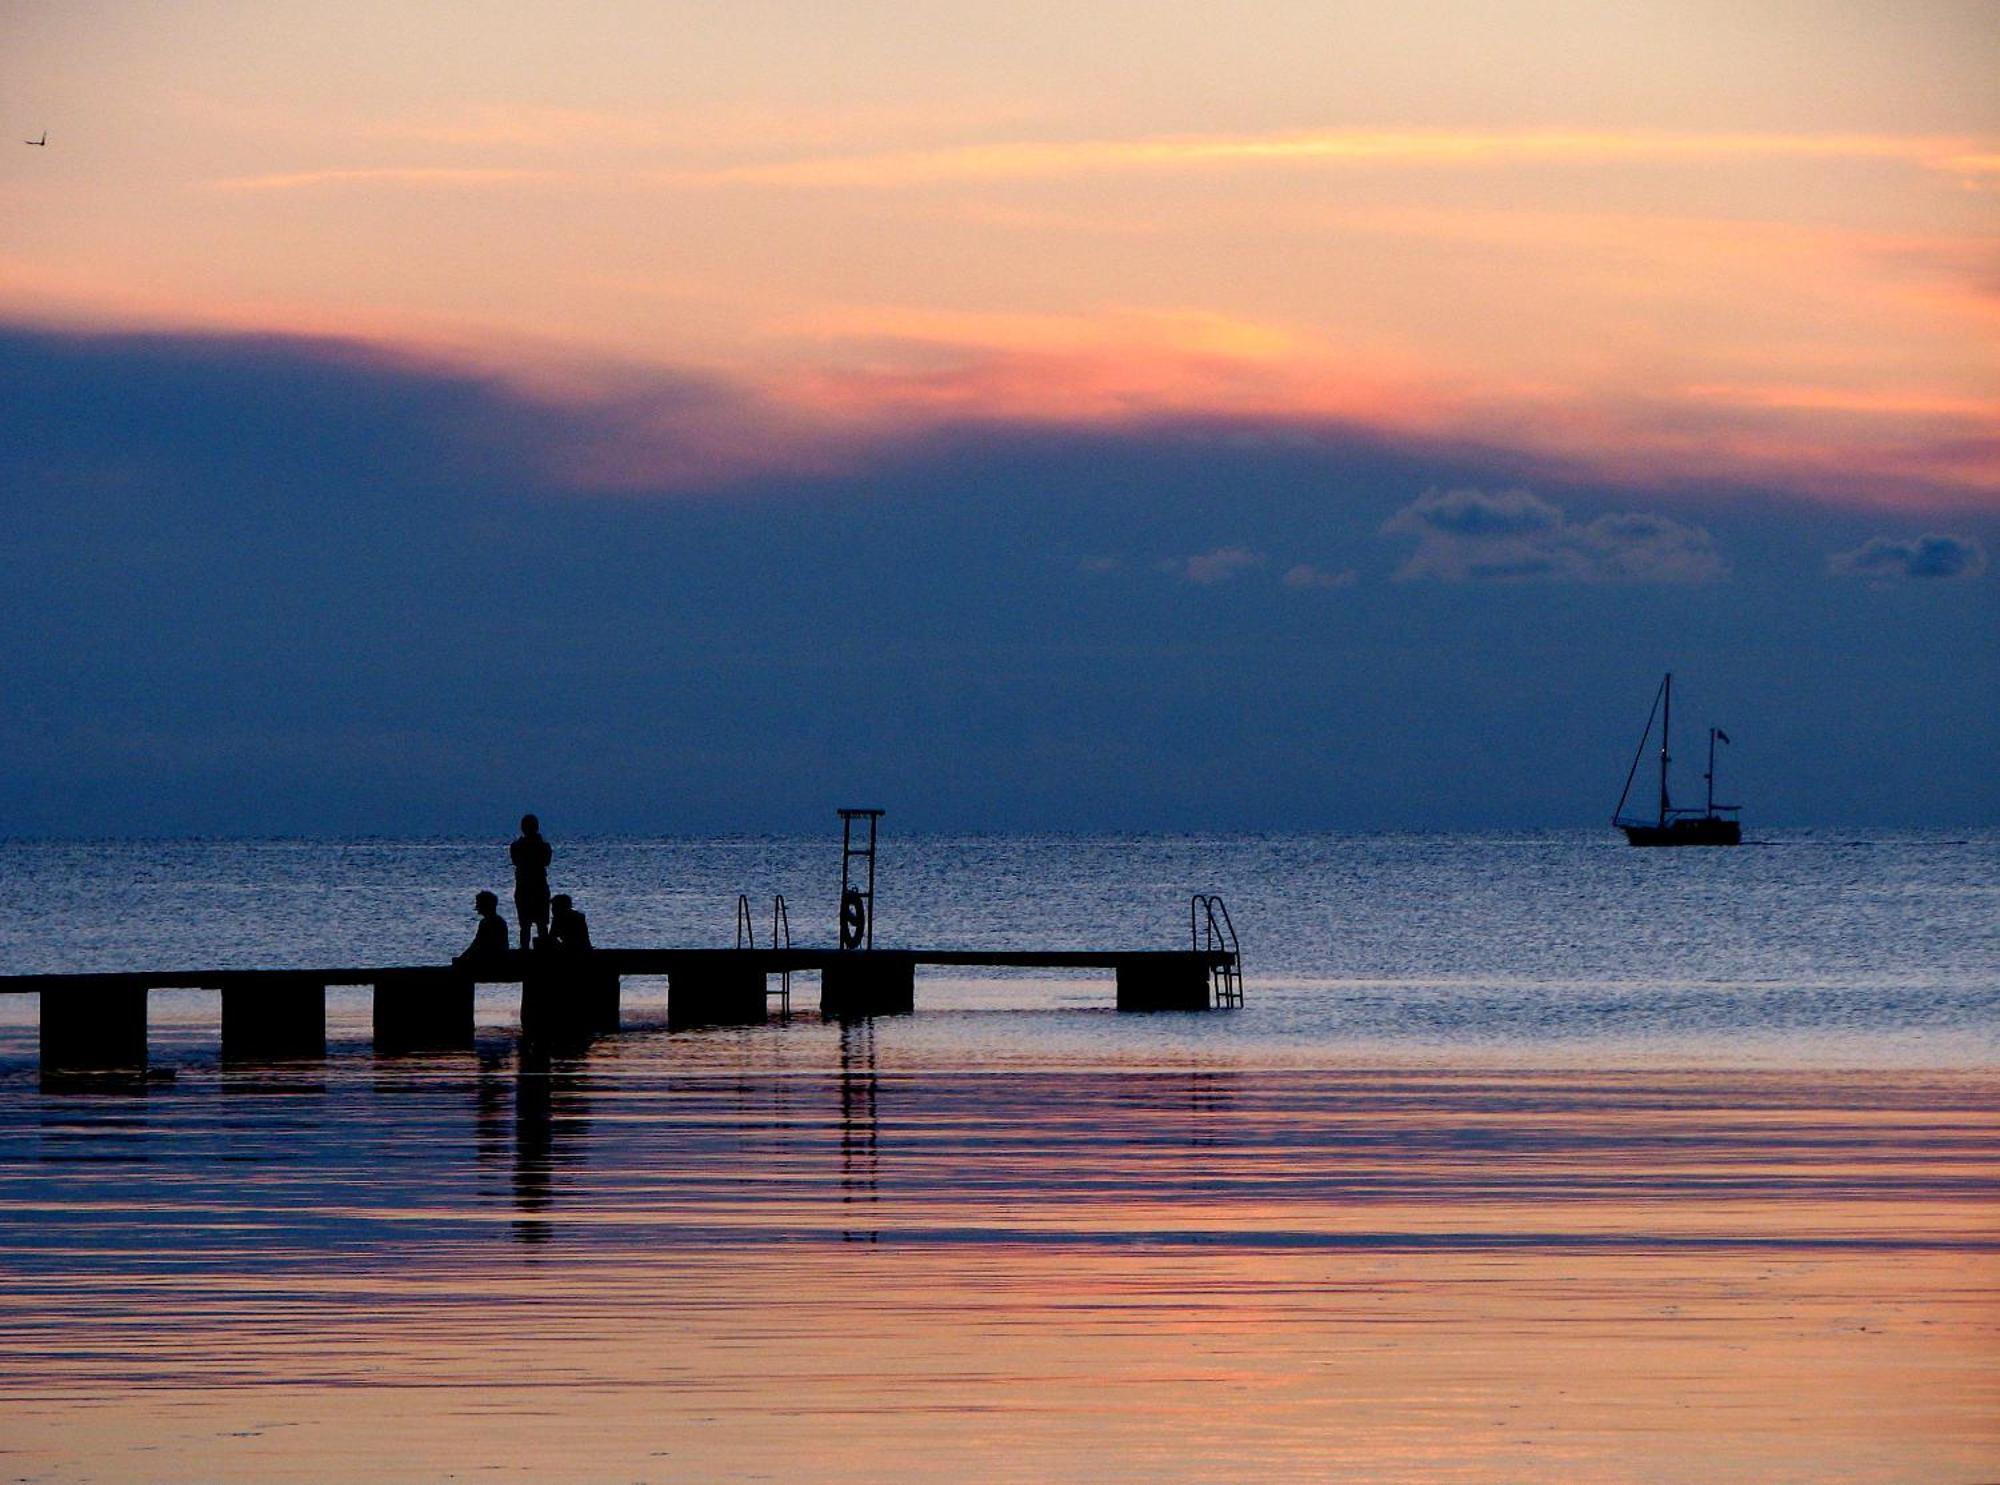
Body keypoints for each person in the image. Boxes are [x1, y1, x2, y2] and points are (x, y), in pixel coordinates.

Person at [510, 814, 552, 951]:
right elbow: (545, 861)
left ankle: (527, 951)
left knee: (530, 925)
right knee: (535, 925)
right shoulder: (543, 846)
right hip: (534, 888)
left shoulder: (517, 846)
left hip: (528, 888)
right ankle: (538, 951)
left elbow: (545, 861)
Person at [457, 890, 511, 964]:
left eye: (478, 904)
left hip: (492, 959)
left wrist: (462, 958)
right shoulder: (497, 921)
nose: (477, 907)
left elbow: (478, 944)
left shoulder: (489, 922)